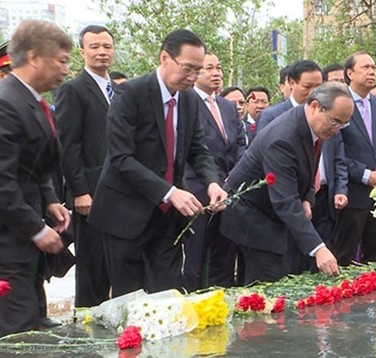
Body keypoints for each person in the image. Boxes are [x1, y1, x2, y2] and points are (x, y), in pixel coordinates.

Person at [88, 29, 228, 298]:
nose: (192, 76)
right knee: (130, 299)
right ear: (165, 57)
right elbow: (121, 158)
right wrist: (170, 192)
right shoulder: (131, 93)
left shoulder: (188, 99)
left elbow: (198, 150)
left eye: (197, 70)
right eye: (188, 68)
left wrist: (212, 183)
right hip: (125, 213)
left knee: (168, 296)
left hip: (166, 219)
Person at [220, 82, 350, 284]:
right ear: (315, 106)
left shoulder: (315, 126)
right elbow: (285, 202)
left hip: (272, 214)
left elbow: (309, 168)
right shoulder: (283, 139)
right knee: (270, 283)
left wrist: (307, 199)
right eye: (335, 122)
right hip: (252, 216)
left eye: (343, 124)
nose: (337, 129)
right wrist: (319, 249)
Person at [0, 19, 72, 337]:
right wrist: (36, 229)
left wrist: (51, 199)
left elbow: (34, 165)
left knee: (32, 325)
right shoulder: (6, 103)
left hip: (24, 243)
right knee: (15, 330)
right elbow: (3, 181)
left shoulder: (32, 99)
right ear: (34, 57)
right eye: (62, 60)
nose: (66, 69)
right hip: (9, 242)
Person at [55, 25, 116, 308]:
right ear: (82, 52)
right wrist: (79, 191)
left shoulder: (117, 90)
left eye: (106, 46)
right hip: (89, 195)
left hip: (119, 193)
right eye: (94, 46)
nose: (102, 51)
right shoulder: (73, 90)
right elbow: (69, 146)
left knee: (115, 263)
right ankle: (89, 325)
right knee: (92, 267)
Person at [183, 51, 245, 290]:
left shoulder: (227, 107)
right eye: (209, 68)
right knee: (196, 257)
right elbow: (192, 150)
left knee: (226, 254)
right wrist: (212, 181)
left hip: (230, 190)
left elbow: (241, 144)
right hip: (198, 191)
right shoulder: (187, 103)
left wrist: (233, 178)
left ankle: (222, 302)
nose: (216, 73)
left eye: (218, 68)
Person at [333, 51, 376, 266]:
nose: (371, 72)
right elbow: (337, 151)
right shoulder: (338, 104)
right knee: (344, 255)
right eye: (365, 67)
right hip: (351, 193)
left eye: (374, 67)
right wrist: (364, 174)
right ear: (349, 73)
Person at [256, 60, 323, 133]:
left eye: (318, 87)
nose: (313, 92)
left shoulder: (327, 115)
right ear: (292, 83)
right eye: (307, 87)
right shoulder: (272, 116)